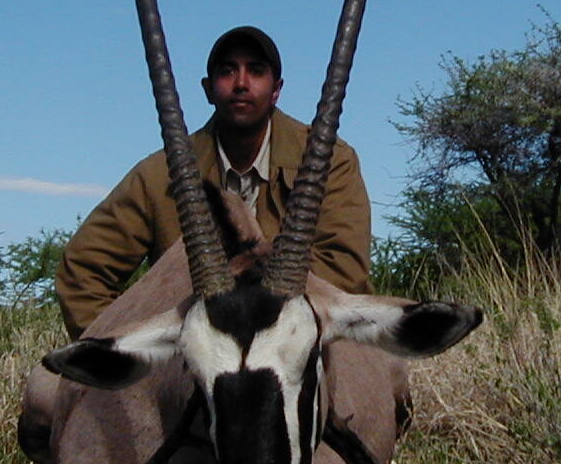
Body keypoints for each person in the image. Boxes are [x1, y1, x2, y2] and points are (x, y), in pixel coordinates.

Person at [56, 25, 373, 338]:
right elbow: (83, 271)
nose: (241, 83)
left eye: (256, 71)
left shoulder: (330, 161)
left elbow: (344, 273)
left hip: (299, 345)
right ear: (208, 89)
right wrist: (128, 359)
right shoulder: (158, 175)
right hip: (194, 360)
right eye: (227, 71)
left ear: (276, 89)